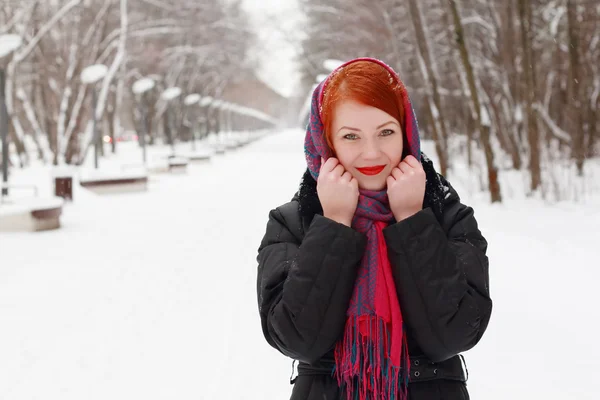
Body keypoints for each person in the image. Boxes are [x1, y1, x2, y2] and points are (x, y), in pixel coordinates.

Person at [256, 57, 492, 400]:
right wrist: (334, 222)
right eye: (351, 136)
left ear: (406, 133)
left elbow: (454, 335)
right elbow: (298, 340)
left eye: (385, 132)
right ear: (327, 142)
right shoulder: (293, 222)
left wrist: (412, 218)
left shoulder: (446, 216)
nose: (371, 152)